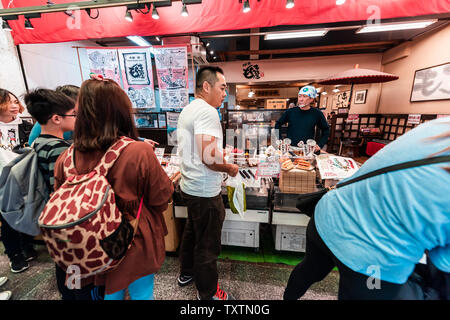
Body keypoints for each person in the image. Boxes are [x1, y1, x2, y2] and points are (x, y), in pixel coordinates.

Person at [284, 117, 450, 300]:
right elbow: (442, 266)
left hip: (329, 213)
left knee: (309, 269)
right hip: (375, 256)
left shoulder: (437, 127)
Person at [53, 77, 173, 300]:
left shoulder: (65, 158)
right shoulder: (138, 152)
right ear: (122, 112)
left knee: (106, 294)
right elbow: (160, 199)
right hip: (132, 241)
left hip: (87, 246)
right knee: (141, 294)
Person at [24, 88, 103, 300]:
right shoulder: (60, 150)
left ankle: (69, 294)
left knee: (65, 266)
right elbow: (64, 194)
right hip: (67, 225)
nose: (78, 118)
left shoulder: (38, 143)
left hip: (49, 222)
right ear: (57, 118)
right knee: (76, 269)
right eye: (74, 114)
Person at [176, 66, 239, 300]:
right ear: (206, 86)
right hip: (204, 190)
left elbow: (199, 150)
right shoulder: (208, 112)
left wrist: (219, 156)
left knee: (193, 231)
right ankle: (210, 294)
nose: (225, 93)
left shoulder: (189, 109)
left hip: (190, 186)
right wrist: (229, 167)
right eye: (222, 88)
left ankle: (186, 273)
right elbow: (209, 158)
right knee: (208, 245)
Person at [0, 88, 35, 273]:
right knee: (7, 220)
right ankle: (14, 254)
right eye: (9, 102)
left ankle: (27, 245)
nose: (15, 105)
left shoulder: (26, 126)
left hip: (25, 178)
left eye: (15, 101)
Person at [275, 85, 330, 152]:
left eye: (304, 96)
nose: (300, 99)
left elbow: (326, 130)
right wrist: (280, 140)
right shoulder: (290, 111)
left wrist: (320, 145)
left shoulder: (317, 113)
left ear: (311, 99)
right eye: (299, 96)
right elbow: (277, 124)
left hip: (307, 150)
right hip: (290, 149)